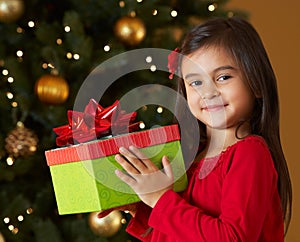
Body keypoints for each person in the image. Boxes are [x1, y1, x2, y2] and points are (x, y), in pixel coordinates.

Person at [100, 17, 292, 241]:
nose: (209, 92)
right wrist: (143, 206)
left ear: (256, 83)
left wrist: (161, 200)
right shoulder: (192, 158)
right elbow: (182, 232)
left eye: (223, 77)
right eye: (196, 82)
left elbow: (232, 238)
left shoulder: (249, 154)